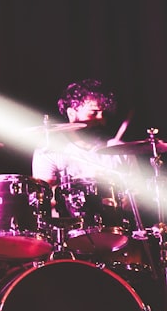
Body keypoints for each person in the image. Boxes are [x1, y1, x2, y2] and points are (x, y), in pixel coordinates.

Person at [31, 78, 140, 254]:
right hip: (67, 242)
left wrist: (123, 197)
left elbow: (137, 197)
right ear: (72, 113)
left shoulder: (119, 150)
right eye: (94, 112)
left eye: (104, 113)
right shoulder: (50, 151)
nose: (101, 119)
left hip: (116, 238)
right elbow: (43, 200)